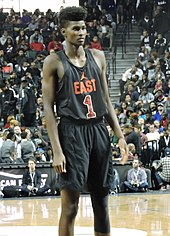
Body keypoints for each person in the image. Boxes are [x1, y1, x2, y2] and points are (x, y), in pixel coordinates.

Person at [42, 6, 128, 236]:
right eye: (76, 28)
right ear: (64, 31)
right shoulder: (53, 62)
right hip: (71, 132)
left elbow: (107, 101)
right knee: (70, 206)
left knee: (101, 205)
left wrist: (119, 136)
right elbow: (48, 111)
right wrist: (57, 151)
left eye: (84, 27)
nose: (82, 32)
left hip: (98, 130)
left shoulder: (98, 57)